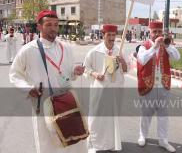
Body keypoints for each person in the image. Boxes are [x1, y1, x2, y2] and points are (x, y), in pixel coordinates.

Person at [9, 10, 87, 153]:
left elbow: (68, 74)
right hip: (44, 103)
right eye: (49, 24)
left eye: (56, 25)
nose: (53, 28)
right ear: (39, 27)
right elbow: (15, 74)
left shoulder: (66, 48)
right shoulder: (28, 50)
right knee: (47, 143)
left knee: (73, 140)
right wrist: (28, 88)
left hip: (67, 101)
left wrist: (74, 71)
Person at [137, 21, 180, 152]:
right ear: (149, 32)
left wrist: (168, 46)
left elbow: (177, 57)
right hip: (148, 84)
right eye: (154, 32)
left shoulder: (166, 46)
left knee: (163, 115)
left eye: (159, 32)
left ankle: (163, 140)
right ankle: (142, 135)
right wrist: (154, 47)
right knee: (146, 114)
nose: (157, 34)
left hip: (163, 84)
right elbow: (142, 59)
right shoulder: (143, 46)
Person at [84, 24, 128, 153]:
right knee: (96, 117)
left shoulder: (119, 51)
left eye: (113, 35)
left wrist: (123, 62)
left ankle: (111, 143)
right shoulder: (95, 51)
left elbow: (126, 70)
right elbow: (86, 68)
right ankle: (94, 144)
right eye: (109, 35)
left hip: (115, 89)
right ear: (103, 35)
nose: (111, 38)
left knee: (112, 117)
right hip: (99, 90)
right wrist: (95, 74)